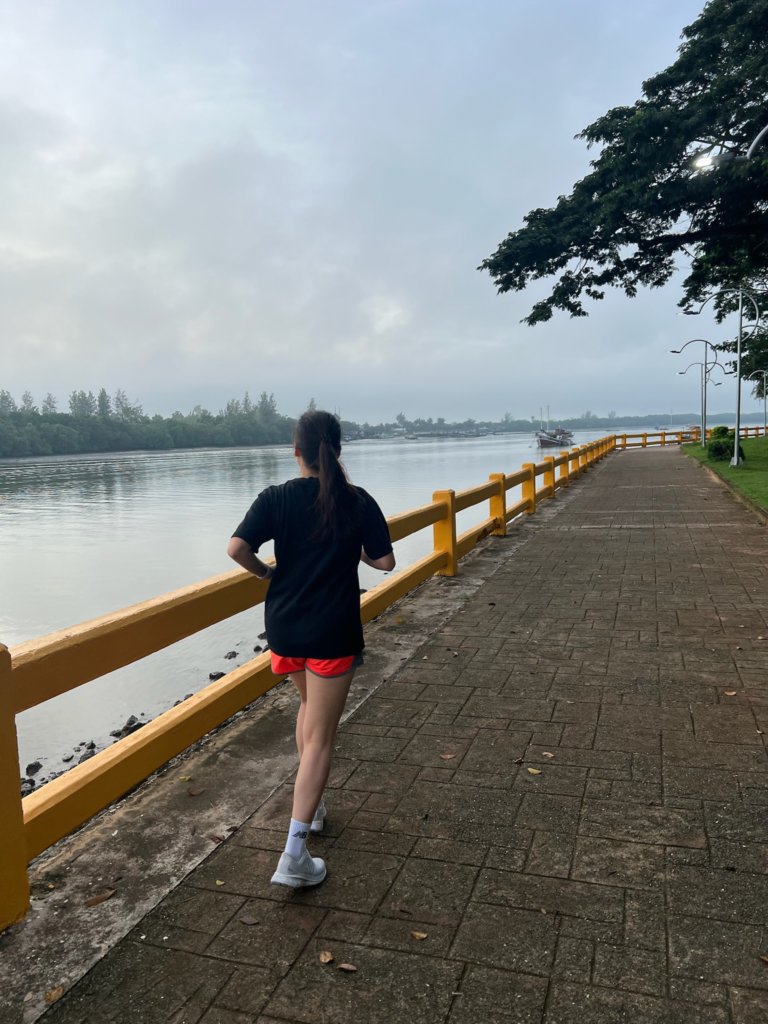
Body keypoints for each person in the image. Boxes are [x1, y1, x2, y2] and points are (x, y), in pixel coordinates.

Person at [227, 410, 395, 886]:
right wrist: (355, 548)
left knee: (306, 708)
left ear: (296, 451)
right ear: (338, 450)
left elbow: (238, 549)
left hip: (284, 627)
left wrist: (266, 573)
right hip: (331, 631)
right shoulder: (356, 501)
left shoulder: (275, 498)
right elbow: (384, 561)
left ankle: (313, 805)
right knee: (321, 736)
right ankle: (294, 857)